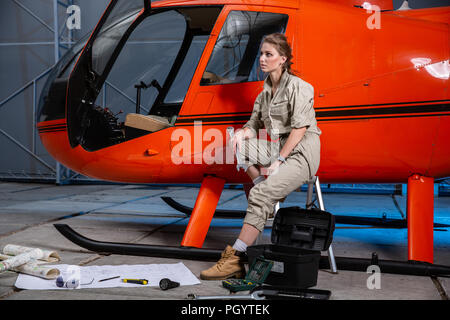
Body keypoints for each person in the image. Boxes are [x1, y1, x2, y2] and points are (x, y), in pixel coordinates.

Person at [200, 33, 322, 280]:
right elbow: (253, 123)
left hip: (301, 153)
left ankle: (236, 257)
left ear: (282, 59)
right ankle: (265, 192)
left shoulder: (301, 87)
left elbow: (300, 129)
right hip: (278, 149)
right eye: (262, 54)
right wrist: (242, 134)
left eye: (269, 54)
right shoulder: (264, 92)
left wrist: (281, 160)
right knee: (236, 146)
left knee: (259, 195)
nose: (262, 59)